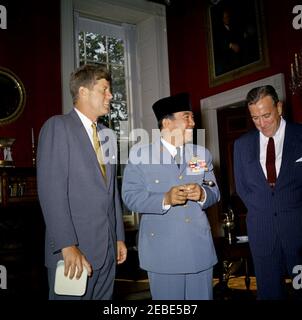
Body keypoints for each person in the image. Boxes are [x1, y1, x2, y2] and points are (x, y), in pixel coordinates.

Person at [37, 64, 127, 300]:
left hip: (107, 252)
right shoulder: (58, 126)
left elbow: (111, 193)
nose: (110, 95)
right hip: (73, 256)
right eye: (105, 89)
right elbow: (51, 192)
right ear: (84, 92)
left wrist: (118, 237)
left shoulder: (107, 136)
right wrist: (67, 245)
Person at [122, 92, 220, 300]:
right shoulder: (140, 156)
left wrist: (202, 193)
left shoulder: (200, 154)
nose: (193, 123)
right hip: (162, 253)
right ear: (167, 123)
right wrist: (164, 199)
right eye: (187, 117)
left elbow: (214, 191)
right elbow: (130, 197)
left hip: (199, 250)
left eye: (192, 117)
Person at [233, 85, 302, 299]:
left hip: (298, 231)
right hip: (262, 233)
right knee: (269, 294)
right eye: (255, 118)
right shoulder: (241, 145)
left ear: (279, 108)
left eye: (266, 115)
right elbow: (242, 188)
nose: (261, 124)